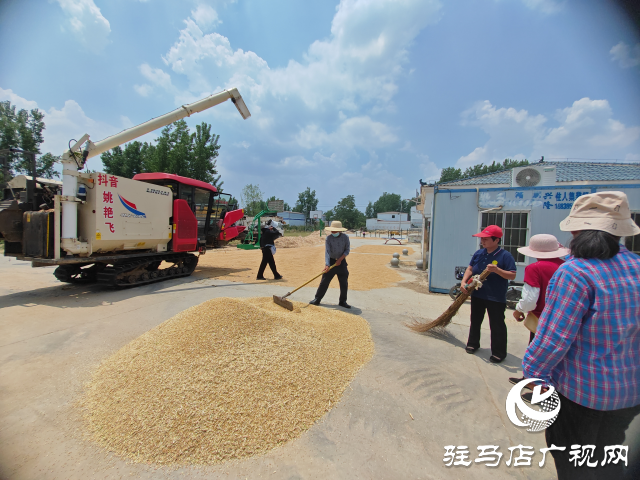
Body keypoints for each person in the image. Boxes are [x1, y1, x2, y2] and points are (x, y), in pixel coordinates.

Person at [522, 191, 640, 480]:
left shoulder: (575, 272)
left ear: (574, 230)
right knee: (609, 457)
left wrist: (533, 377)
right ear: (622, 229)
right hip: (629, 395)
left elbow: (552, 341)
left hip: (580, 394)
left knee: (574, 464)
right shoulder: (636, 267)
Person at [508, 234, 569, 387]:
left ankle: (534, 384)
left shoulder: (535, 268)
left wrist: (519, 310)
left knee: (536, 351)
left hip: (542, 316)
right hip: (563, 317)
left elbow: (530, 299)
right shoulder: (566, 266)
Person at [461, 225, 517, 363]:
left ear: (496, 240)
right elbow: (470, 268)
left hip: (495, 296)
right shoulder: (479, 253)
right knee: (475, 320)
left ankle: (498, 352)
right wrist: (464, 282)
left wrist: (497, 270)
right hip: (478, 294)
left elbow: (512, 275)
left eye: (486, 239)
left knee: (497, 324)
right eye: (482, 239)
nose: (483, 242)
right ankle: (473, 343)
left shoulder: (505, 256)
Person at [309, 220, 351, 308]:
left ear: (339, 230)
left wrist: (340, 259)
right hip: (331, 262)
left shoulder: (345, 238)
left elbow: (347, 250)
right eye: (332, 230)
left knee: (344, 283)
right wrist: (327, 265)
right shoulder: (329, 238)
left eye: (335, 230)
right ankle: (317, 299)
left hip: (341, 262)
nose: (333, 232)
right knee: (324, 281)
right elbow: (327, 252)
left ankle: (343, 301)